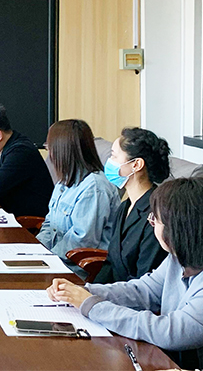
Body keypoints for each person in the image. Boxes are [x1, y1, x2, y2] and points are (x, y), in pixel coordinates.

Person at [47, 178, 203, 369]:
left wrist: (92, 305)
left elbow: (169, 332)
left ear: (179, 228)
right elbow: (143, 290)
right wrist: (84, 292)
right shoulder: (177, 258)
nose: (152, 223)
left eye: (156, 220)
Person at [93, 127, 171, 283]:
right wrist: (88, 290)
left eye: (114, 156)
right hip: (115, 292)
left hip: (135, 295)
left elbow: (145, 280)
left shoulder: (157, 216)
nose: (109, 162)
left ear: (136, 165)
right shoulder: (124, 207)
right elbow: (111, 263)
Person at [36, 119, 120, 260]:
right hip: (57, 258)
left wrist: (47, 258)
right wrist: (34, 250)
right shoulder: (64, 181)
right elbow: (50, 225)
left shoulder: (94, 187)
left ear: (62, 150)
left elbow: (81, 242)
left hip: (77, 266)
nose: (49, 153)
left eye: (49, 147)